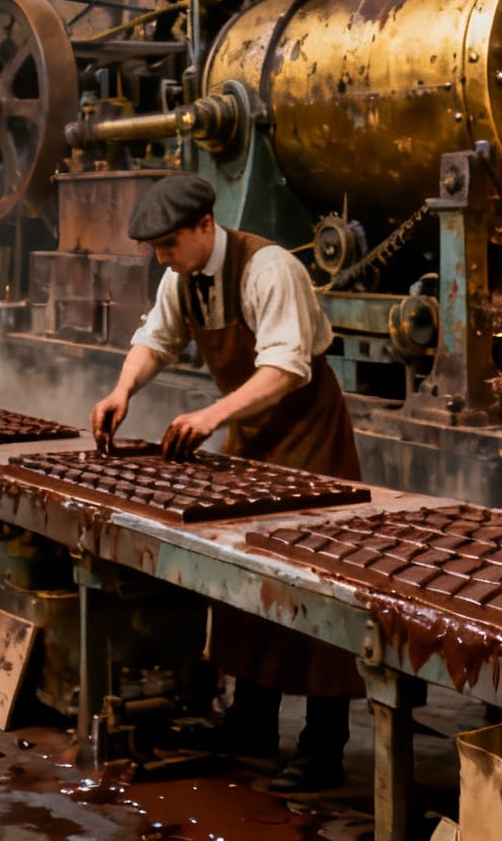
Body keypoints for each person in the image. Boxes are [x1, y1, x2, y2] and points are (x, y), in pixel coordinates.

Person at [89, 173, 364, 793]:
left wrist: (212, 415)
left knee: (319, 590)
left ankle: (324, 746)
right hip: (250, 436)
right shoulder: (180, 277)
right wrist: (122, 389)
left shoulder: (269, 269)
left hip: (308, 436)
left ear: (204, 226)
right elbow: (155, 339)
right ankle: (250, 724)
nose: (162, 257)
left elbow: (288, 365)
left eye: (168, 245)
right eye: (155, 248)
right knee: (247, 584)